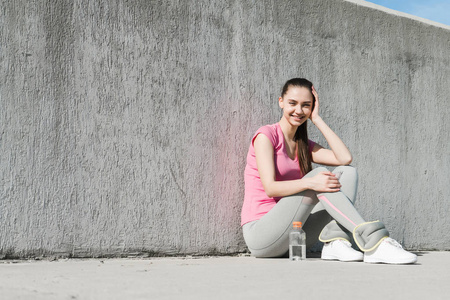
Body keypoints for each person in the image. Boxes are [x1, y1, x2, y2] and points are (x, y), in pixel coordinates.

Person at [241, 78, 417, 264]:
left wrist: (316, 119)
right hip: (262, 237)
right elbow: (270, 188)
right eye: (292, 103)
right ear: (281, 102)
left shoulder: (303, 146)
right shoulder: (266, 136)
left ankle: (336, 242)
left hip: (295, 239)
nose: (299, 110)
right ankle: (373, 243)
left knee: (347, 173)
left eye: (306, 105)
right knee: (319, 176)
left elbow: (344, 158)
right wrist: (310, 182)